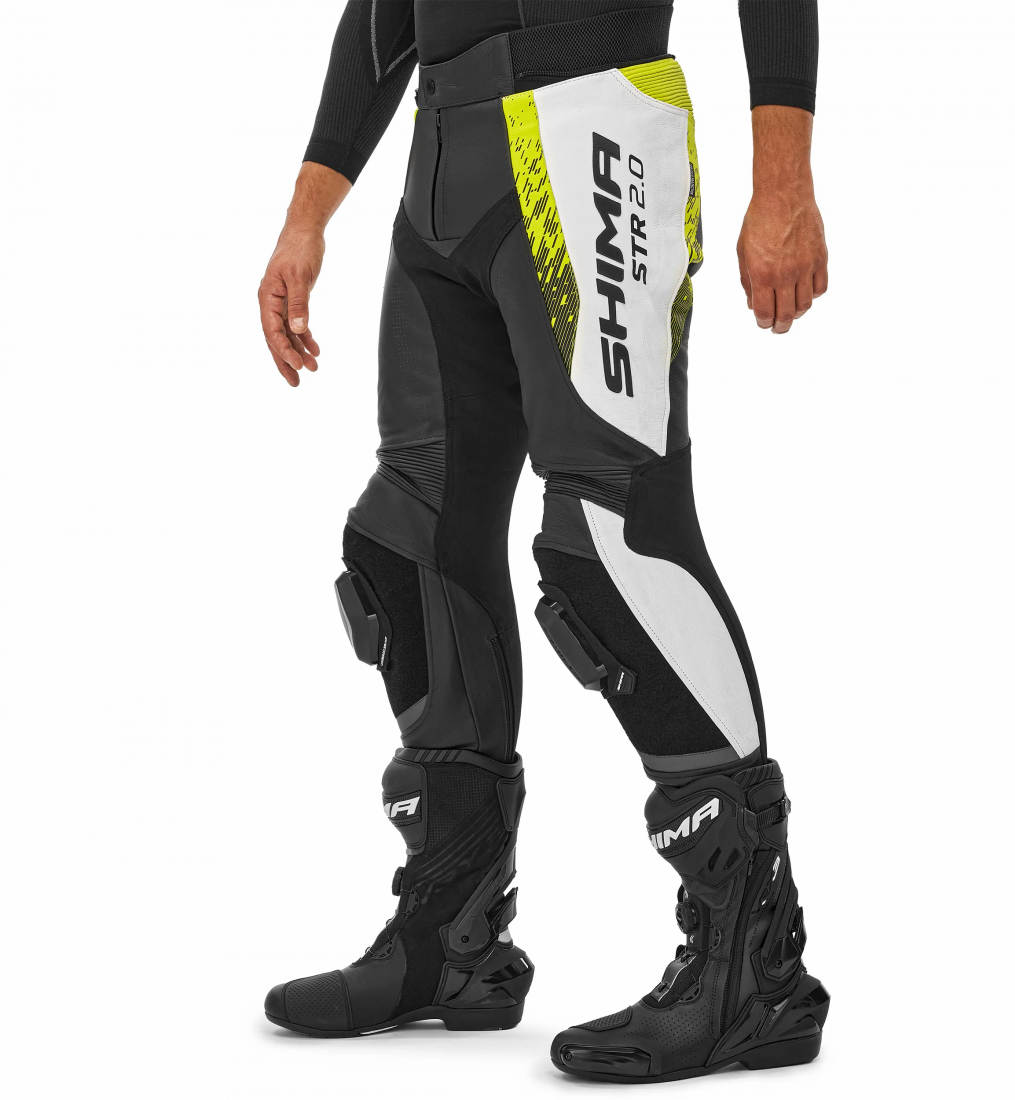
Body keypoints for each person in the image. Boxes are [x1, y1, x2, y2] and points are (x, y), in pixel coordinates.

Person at [258, 0, 829, 1082]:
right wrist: (307, 212)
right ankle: (453, 937)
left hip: (587, 132)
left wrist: (783, 179)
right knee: (409, 542)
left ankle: (751, 965)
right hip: (442, 159)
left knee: (612, 537)